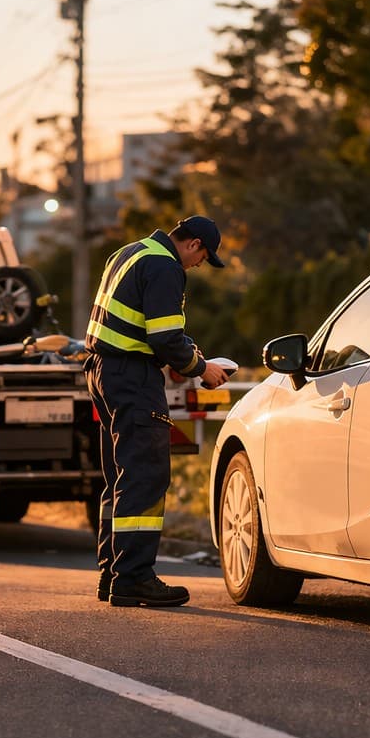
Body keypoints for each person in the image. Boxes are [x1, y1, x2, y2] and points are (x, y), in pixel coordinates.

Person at [86, 215, 231, 607]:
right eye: (203, 257)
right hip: (132, 377)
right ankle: (133, 578)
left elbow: (148, 327)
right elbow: (164, 337)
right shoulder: (166, 266)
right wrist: (202, 369)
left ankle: (112, 574)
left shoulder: (130, 252)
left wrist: (187, 356)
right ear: (194, 244)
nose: (199, 265)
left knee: (120, 476)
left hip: (103, 371)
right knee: (145, 476)